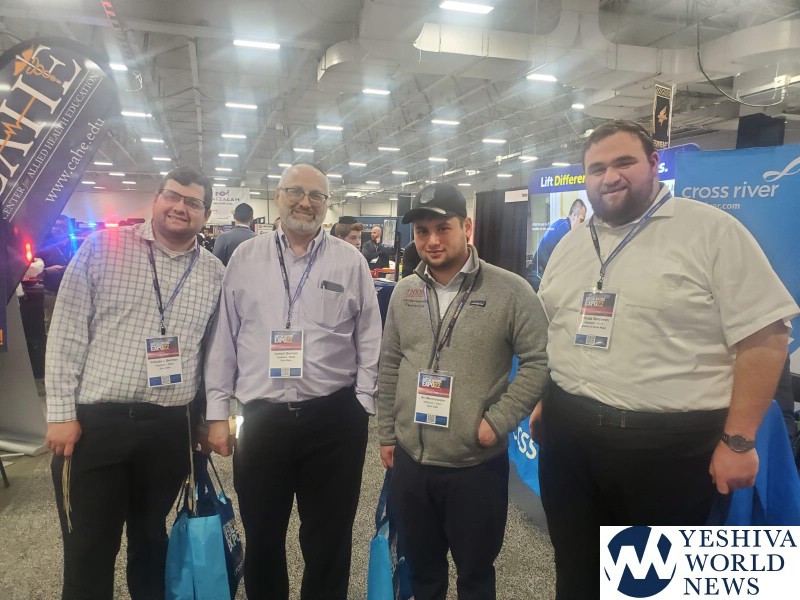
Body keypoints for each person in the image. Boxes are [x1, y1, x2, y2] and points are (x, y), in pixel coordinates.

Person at [534, 120, 799, 599]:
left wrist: (739, 441)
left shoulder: (711, 231)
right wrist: (542, 404)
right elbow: (555, 331)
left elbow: (766, 337)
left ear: (654, 164)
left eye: (624, 162)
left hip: (669, 450)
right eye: (597, 168)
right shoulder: (571, 244)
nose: (609, 177)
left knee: (650, 585)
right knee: (575, 570)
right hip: (569, 437)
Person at [44, 166, 224, 600]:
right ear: (156, 199)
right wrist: (60, 413)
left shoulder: (215, 273)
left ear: (206, 213)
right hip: (97, 425)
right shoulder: (102, 248)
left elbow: (213, 355)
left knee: (152, 540)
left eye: (193, 202)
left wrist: (206, 420)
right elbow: (66, 333)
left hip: (169, 427)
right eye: (172, 196)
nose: (180, 207)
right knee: (90, 546)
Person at [204, 163, 382, 600]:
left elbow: (370, 336)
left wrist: (362, 403)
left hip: (334, 420)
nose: (306, 202)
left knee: (330, 538)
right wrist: (216, 413)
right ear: (278, 196)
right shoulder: (245, 258)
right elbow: (225, 338)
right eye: (296, 192)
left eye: (317, 195)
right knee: (263, 536)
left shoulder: (350, 261)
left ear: (327, 203)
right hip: (263, 420)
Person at [377, 183, 549, 600]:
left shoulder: (510, 291)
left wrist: (498, 421)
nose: (432, 241)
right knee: (423, 574)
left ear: (467, 228)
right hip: (412, 462)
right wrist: (386, 433)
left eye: (443, 228)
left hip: (475, 466)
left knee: (475, 575)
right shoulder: (404, 292)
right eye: (422, 231)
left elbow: (539, 361)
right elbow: (390, 364)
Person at [528, 199, 586, 291]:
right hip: (539, 277)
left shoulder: (561, 225)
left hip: (539, 275)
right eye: (581, 220)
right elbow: (569, 261)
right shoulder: (564, 229)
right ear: (575, 216)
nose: (582, 225)